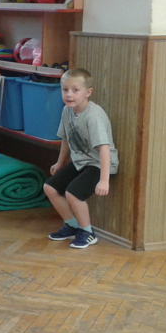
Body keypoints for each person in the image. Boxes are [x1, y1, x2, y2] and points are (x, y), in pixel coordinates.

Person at [43, 68, 118, 249]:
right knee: (50, 188)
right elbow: (66, 139)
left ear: (88, 92)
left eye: (75, 90)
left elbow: (104, 149)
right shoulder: (67, 111)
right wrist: (60, 163)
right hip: (80, 162)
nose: (69, 94)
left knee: (73, 193)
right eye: (65, 90)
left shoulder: (93, 116)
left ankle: (87, 232)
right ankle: (72, 226)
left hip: (99, 164)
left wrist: (104, 180)